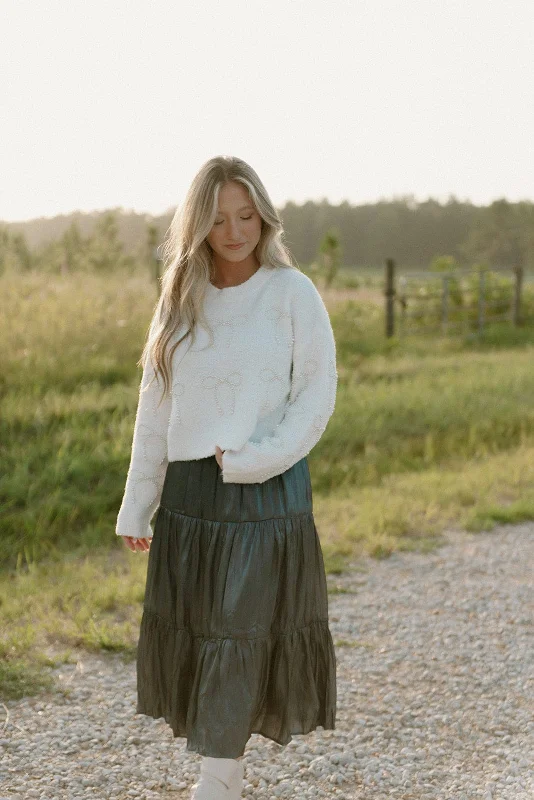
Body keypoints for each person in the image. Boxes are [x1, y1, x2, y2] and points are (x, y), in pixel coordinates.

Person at [115, 155, 338, 799]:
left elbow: (315, 399)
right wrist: (139, 504)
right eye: (218, 218)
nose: (235, 231)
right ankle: (225, 769)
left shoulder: (292, 293)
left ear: (264, 216)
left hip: (266, 492)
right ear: (199, 225)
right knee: (204, 637)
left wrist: (253, 462)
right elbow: (155, 407)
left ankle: (216, 779)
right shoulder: (180, 299)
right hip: (191, 501)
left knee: (241, 636)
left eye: (246, 215)